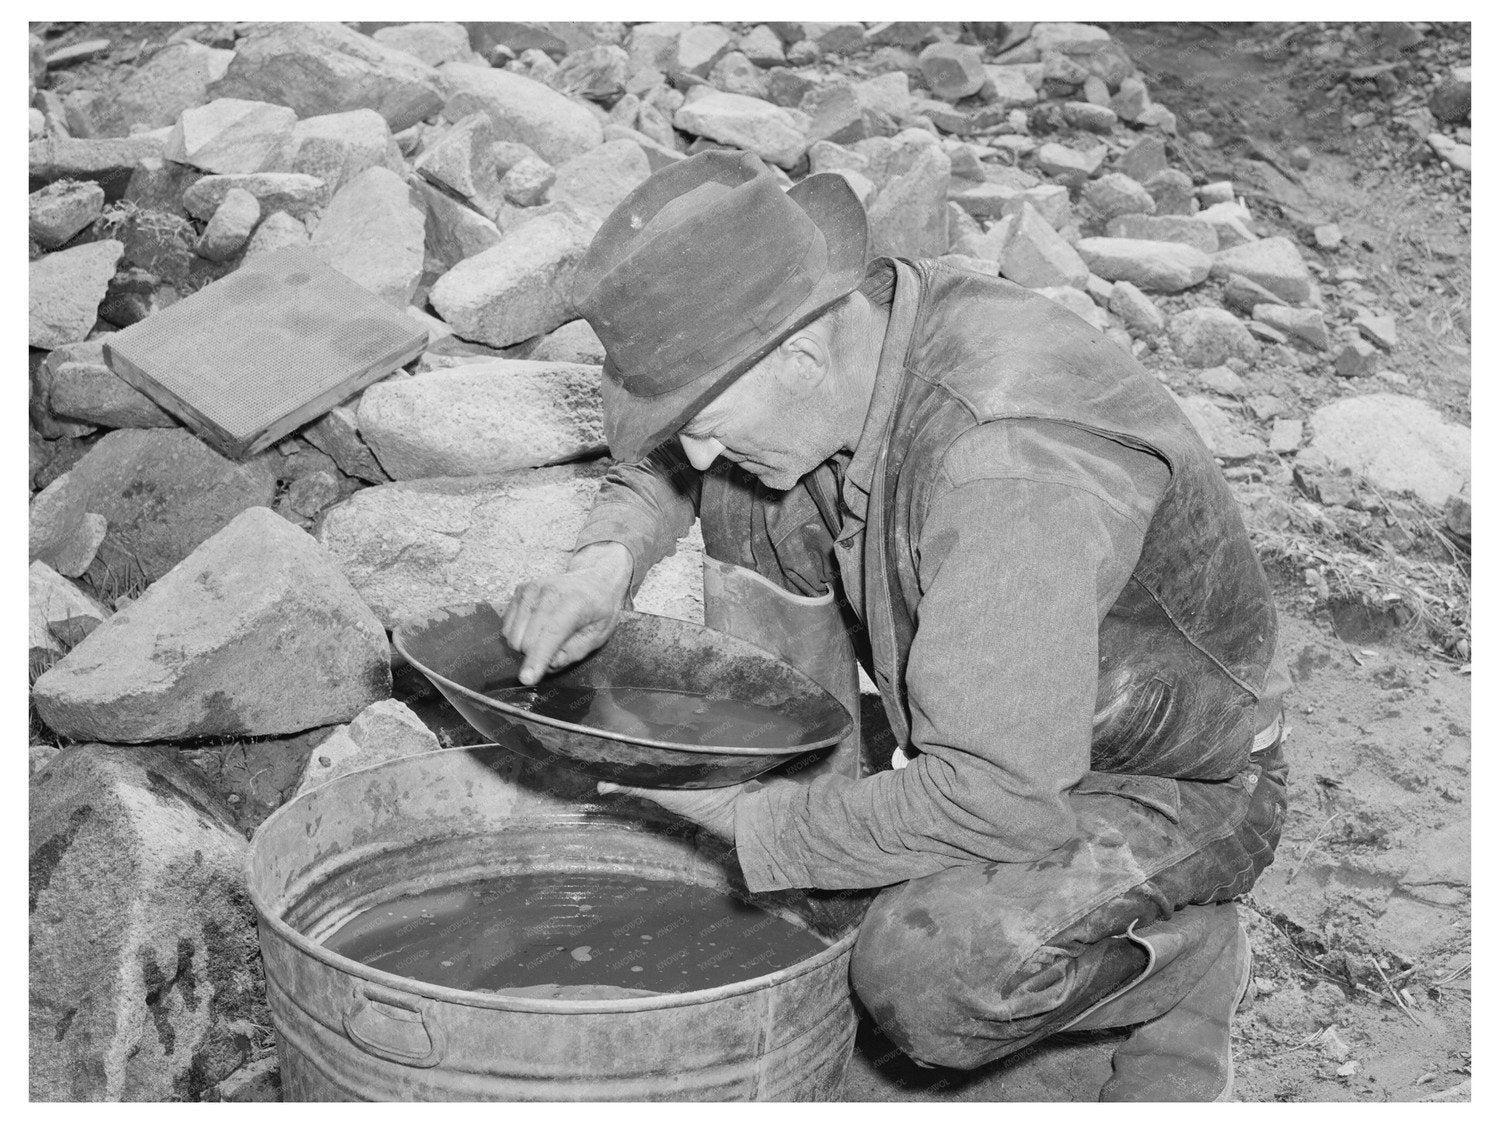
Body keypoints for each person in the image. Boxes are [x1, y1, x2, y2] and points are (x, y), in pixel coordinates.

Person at [498, 149, 1290, 1101]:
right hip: (1012, 717)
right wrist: (605, 562)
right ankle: (830, 811)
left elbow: (1000, 797)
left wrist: (762, 830)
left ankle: (1187, 967)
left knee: (937, 977)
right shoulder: (863, 326)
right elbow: (682, 453)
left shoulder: (1010, 471)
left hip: (1166, 775)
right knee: (748, 493)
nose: (692, 450)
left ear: (798, 354)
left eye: (701, 419)